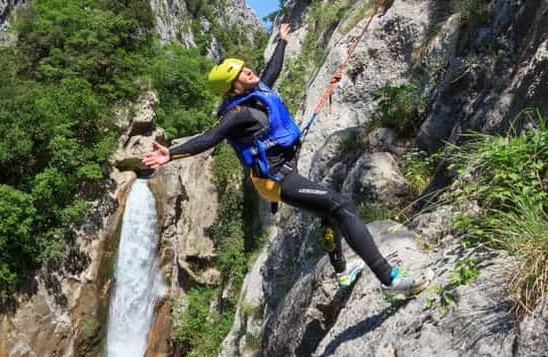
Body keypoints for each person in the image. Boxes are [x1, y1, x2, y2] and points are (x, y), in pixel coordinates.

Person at [142, 23, 426, 295]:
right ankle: (388, 279)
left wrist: (282, 40)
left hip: (286, 167)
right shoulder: (236, 114)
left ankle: (341, 271)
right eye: (240, 72)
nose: (247, 70)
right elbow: (209, 138)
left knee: (327, 212)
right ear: (232, 88)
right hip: (277, 180)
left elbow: (272, 69)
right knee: (341, 206)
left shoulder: (257, 93)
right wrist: (171, 154)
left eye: (244, 67)